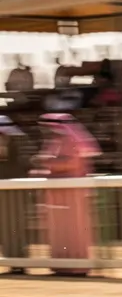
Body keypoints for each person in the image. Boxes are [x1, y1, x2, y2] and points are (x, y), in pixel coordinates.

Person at [31, 113, 101, 277]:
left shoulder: (70, 141)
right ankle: (61, 265)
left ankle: (77, 267)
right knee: (58, 229)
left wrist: (45, 162)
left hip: (72, 193)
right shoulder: (54, 142)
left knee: (74, 229)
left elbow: (69, 163)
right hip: (57, 192)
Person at [0, 116, 31, 275]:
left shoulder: (11, 143)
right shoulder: (16, 141)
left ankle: (18, 262)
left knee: (13, 227)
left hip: (13, 190)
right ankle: (14, 262)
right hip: (7, 190)